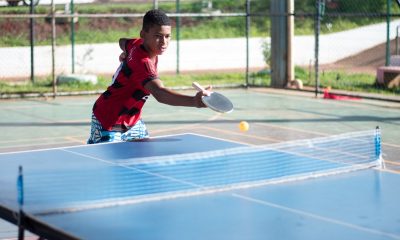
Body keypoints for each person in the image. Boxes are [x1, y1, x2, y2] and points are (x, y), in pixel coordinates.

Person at [87, 9, 209, 144]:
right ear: (143, 34)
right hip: (108, 119)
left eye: (167, 36)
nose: (164, 42)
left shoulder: (137, 44)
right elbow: (160, 93)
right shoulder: (142, 63)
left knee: (144, 161)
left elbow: (123, 41)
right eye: (158, 36)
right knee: (103, 162)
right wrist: (194, 101)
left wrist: (127, 53)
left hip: (132, 121)